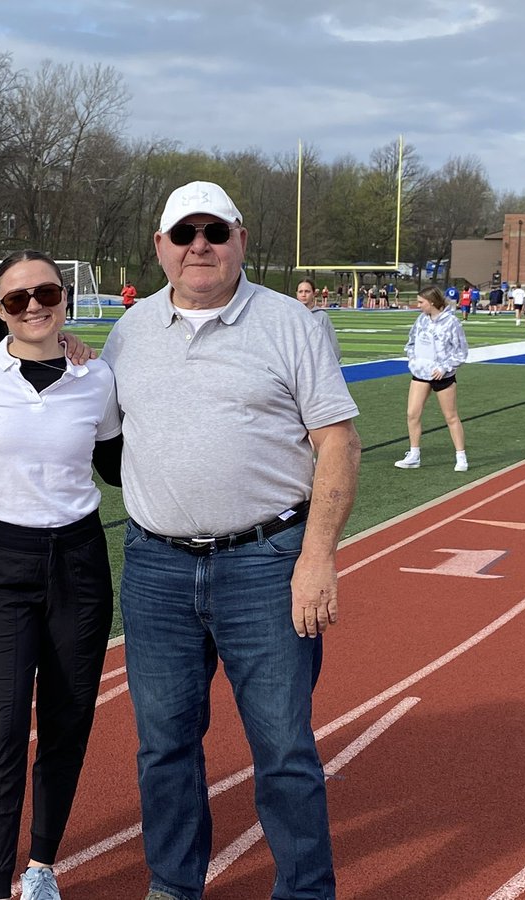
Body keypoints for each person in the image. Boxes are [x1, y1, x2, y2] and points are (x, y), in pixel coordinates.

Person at [102, 181, 361, 900]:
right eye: (183, 234)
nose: (199, 246)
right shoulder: (129, 331)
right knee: (164, 748)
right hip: (156, 567)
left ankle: (306, 891)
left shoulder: (290, 323)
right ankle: (174, 885)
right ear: (160, 248)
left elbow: (337, 443)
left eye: (214, 231)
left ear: (241, 239)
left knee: (282, 749)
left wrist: (318, 556)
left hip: (267, 562)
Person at [0, 249, 122, 900]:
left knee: (66, 724)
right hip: (2, 564)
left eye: (45, 293)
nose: (34, 307)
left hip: (79, 563)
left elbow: (116, 460)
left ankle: (42, 866)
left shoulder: (98, 377)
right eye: (17, 299)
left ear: (65, 297)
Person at [394, 285, 469, 472]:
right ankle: (414, 454)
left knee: (450, 416)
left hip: (443, 376)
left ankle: (461, 456)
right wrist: (413, 360)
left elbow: (462, 351)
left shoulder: (452, 322)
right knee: (412, 413)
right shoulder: (421, 320)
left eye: (421, 302)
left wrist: (444, 367)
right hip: (420, 374)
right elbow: (411, 342)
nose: (418, 305)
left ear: (432, 302)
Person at [296, 277, 341, 360]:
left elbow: (333, 346)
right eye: (300, 291)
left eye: (307, 291)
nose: (303, 294)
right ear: (297, 294)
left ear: (313, 293)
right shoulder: (292, 316)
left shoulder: (322, 316)